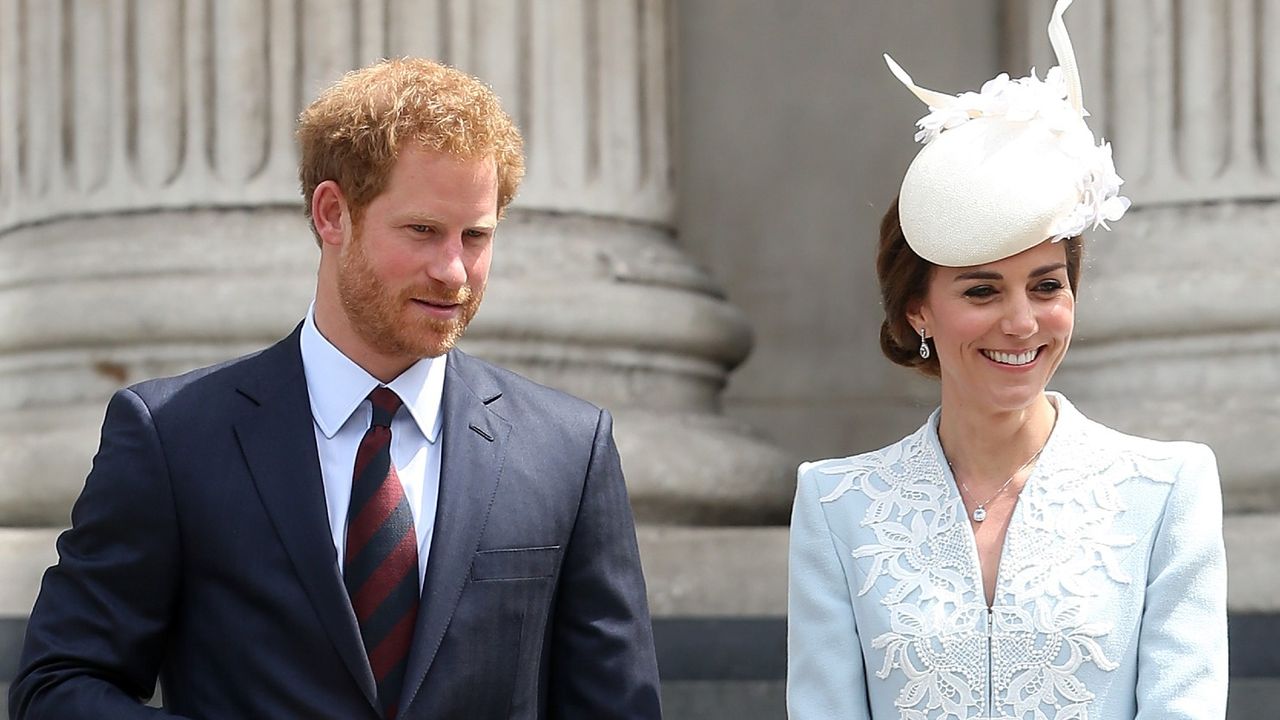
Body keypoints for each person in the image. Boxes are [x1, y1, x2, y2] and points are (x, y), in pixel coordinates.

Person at [9, 58, 663, 720]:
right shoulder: (175, 438)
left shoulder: (567, 452)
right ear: (332, 214)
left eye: (476, 237)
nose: (454, 271)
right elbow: (57, 686)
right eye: (422, 231)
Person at [786, 1, 1227, 718]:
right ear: (917, 309)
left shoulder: (1167, 489)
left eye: (1047, 286)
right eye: (983, 290)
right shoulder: (840, 505)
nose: (1022, 322)